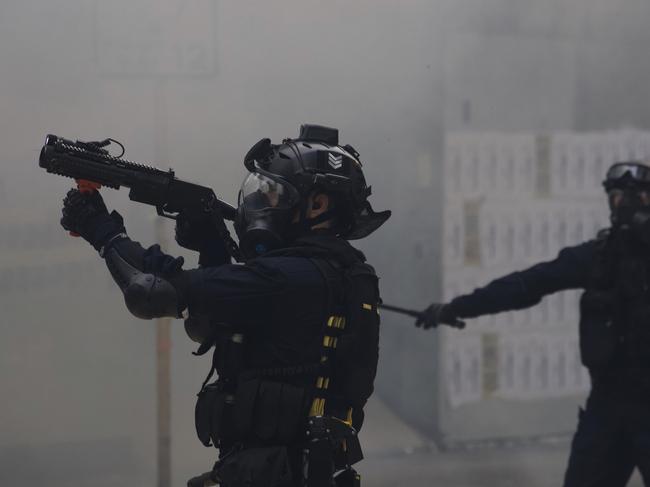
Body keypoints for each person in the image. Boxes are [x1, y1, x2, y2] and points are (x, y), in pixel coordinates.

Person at [59, 124, 391, 487]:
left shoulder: (291, 277)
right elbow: (212, 323)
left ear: (317, 204)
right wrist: (212, 250)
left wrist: (102, 229)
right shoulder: (334, 275)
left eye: (275, 194)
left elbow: (152, 293)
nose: (263, 204)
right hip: (290, 470)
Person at [416, 160, 650, 486]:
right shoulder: (599, 257)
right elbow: (527, 284)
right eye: (617, 196)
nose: (625, 205)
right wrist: (457, 308)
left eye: (638, 196)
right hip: (608, 408)